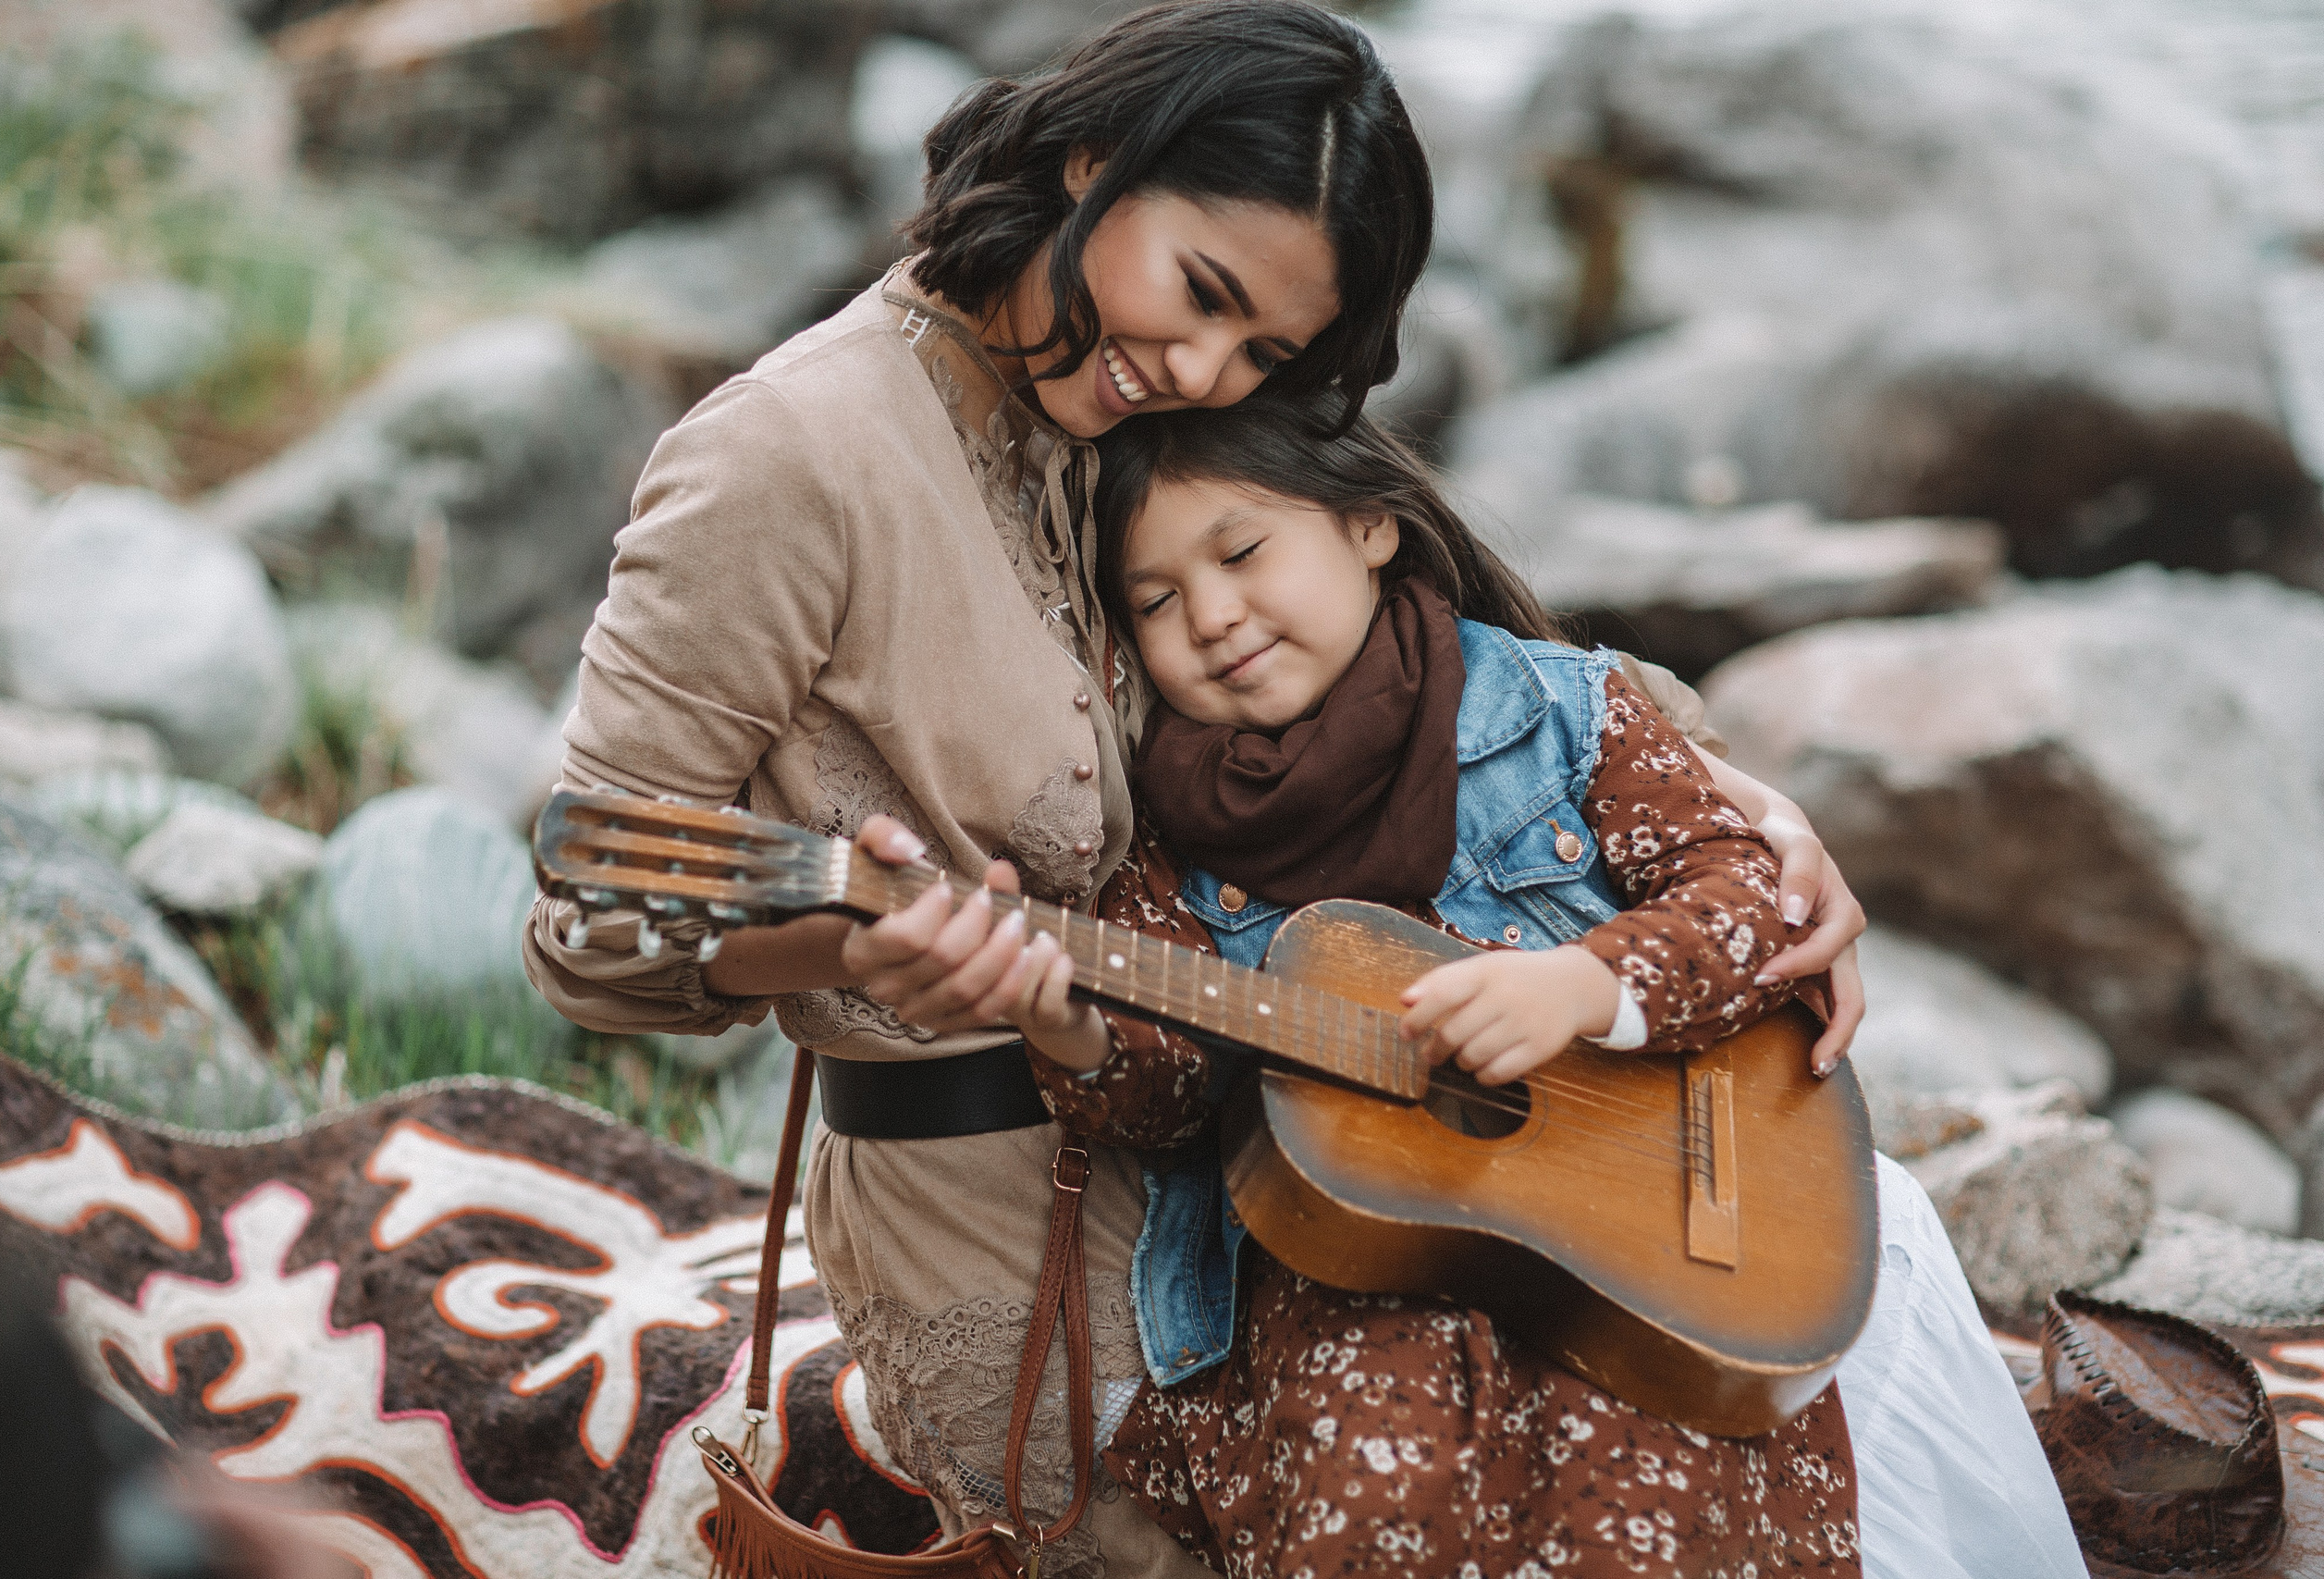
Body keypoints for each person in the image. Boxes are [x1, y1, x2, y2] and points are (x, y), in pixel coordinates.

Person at [525, 2, 1861, 1573]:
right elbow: (585, 938)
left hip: (1333, 1145)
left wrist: (1752, 818)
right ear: (1096, 155)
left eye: (1265, 353)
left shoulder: (1141, 406)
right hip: (1007, 1211)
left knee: (1692, 1412)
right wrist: (848, 950)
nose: (1204, 366)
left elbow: (1447, 660)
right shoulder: (786, 461)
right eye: (1207, 295)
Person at [855, 400, 2086, 1576]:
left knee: (1646, 1494)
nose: (1213, 615)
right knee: (1372, 1502)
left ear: (1368, 523)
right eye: (1158, 602)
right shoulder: (1157, 842)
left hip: (1639, 1247)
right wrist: (1053, 1014)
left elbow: (1748, 895)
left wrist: (1584, 989)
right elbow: (1160, 1095)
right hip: (1341, 1283)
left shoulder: (1559, 709)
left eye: (1241, 553)